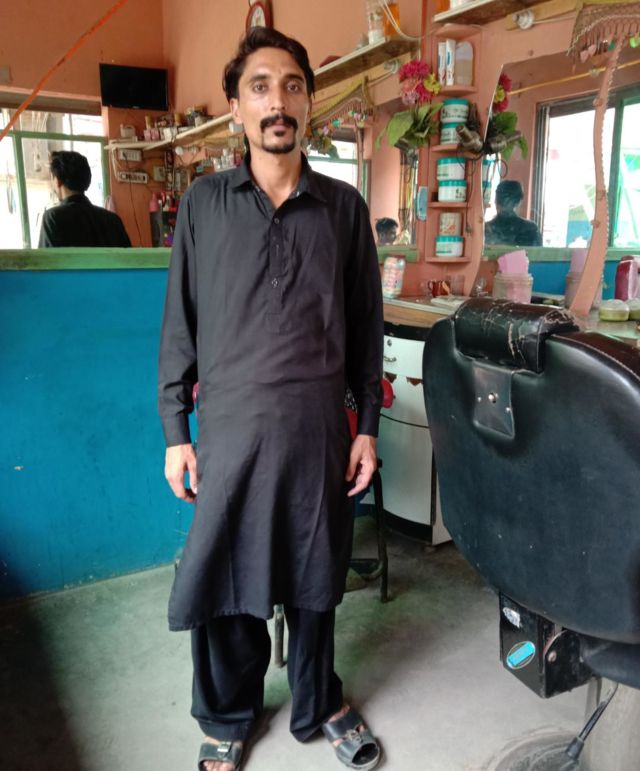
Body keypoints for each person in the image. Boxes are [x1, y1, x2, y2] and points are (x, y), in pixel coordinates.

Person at [158, 28, 383, 771]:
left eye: (291, 85)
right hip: (231, 428)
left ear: (309, 103)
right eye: (259, 86)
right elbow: (180, 323)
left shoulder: (344, 208)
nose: (276, 101)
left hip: (319, 427)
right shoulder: (204, 204)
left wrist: (367, 427)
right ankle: (229, 711)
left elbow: (366, 327)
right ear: (236, 108)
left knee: (316, 574)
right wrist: (176, 431)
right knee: (228, 572)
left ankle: (319, 701)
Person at [38, 151, 131, 247]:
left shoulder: (53, 218)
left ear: (57, 181)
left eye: (52, 178)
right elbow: (128, 255)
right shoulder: (113, 220)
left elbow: (46, 256)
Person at [484, 180, 542, 247]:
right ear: (519, 202)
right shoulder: (531, 229)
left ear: (495, 201)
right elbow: (539, 253)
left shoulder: (484, 229)